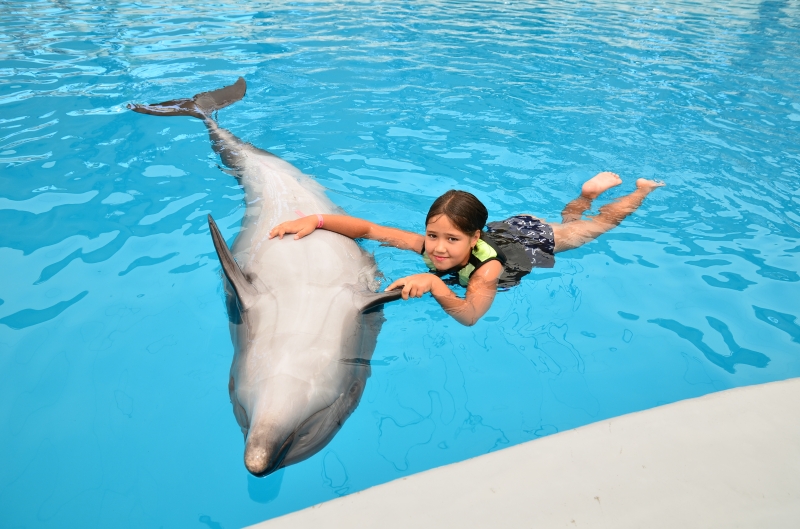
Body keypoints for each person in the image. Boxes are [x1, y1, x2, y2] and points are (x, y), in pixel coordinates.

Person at [269, 172, 664, 326]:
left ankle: (638, 190)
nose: (438, 249)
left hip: (529, 239)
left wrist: (437, 285)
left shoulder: (487, 273)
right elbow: (369, 228)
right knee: (574, 221)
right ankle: (584, 195)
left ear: (473, 238)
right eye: (433, 235)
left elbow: (472, 314)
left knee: (595, 227)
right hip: (507, 226)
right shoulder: (431, 244)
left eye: (451, 240)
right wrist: (316, 220)